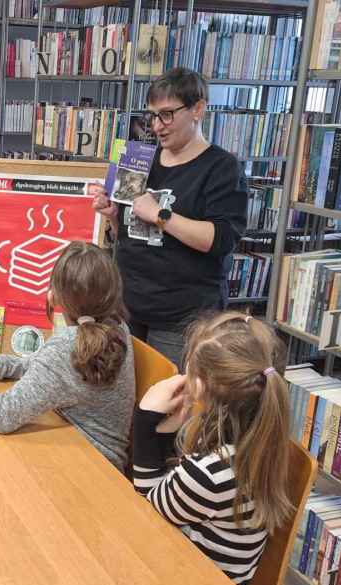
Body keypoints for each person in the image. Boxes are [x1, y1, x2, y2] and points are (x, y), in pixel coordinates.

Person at [0, 242, 136, 470]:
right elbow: (52, 370)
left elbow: (2, 415)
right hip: (98, 456)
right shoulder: (117, 327)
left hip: (86, 466)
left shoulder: (67, 346)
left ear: (53, 296)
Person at [92, 67, 249, 368]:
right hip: (128, 305)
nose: (157, 125)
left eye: (167, 114)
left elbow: (221, 239)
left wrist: (161, 215)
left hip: (182, 316)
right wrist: (113, 217)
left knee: (167, 404)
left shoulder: (222, 167)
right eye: (152, 115)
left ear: (198, 109)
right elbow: (126, 235)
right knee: (126, 397)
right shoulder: (140, 157)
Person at [131, 311, 294, 585]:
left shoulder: (209, 473)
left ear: (199, 386)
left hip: (195, 584)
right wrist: (166, 432)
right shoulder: (260, 440)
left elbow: (148, 510)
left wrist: (146, 422)